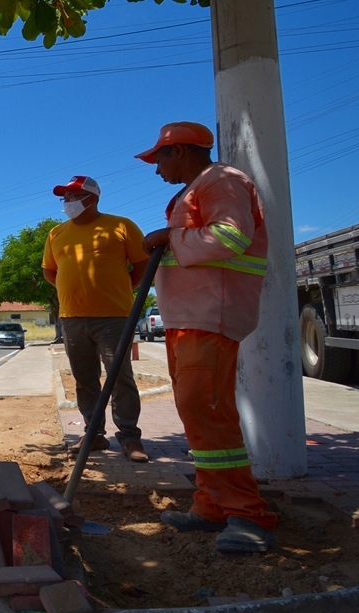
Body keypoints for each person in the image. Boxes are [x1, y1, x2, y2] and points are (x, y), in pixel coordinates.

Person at [136, 121, 277, 553]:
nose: (156, 169)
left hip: (210, 316)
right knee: (196, 413)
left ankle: (248, 515)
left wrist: (169, 237)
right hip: (188, 318)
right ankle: (211, 504)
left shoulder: (223, 181)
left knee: (208, 411)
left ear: (179, 151)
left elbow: (231, 236)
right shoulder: (194, 189)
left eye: (158, 158)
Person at [42, 176, 151, 463]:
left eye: (73, 196)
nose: (67, 202)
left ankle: (129, 438)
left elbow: (143, 263)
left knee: (120, 378)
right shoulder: (56, 233)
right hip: (72, 319)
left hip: (114, 317)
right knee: (84, 380)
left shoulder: (121, 226)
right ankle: (94, 434)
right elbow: (50, 271)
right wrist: (73, 290)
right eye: (64, 197)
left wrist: (121, 288)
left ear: (92, 198)